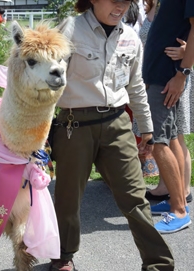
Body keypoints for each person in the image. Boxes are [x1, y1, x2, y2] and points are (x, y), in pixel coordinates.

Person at [49, 0, 174, 270]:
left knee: (135, 198)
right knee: (68, 197)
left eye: (126, 1)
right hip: (74, 125)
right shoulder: (69, 30)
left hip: (117, 124)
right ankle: (63, 255)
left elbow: (136, 86)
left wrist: (147, 129)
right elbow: (50, 82)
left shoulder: (130, 37)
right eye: (113, 0)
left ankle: (159, 263)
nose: (120, 6)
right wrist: (42, 134)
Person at [142, 0, 193, 233]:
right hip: (159, 76)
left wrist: (182, 74)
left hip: (167, 78)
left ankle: (179, 212)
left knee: (159, 142)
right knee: (170, 139)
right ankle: (176, 200)